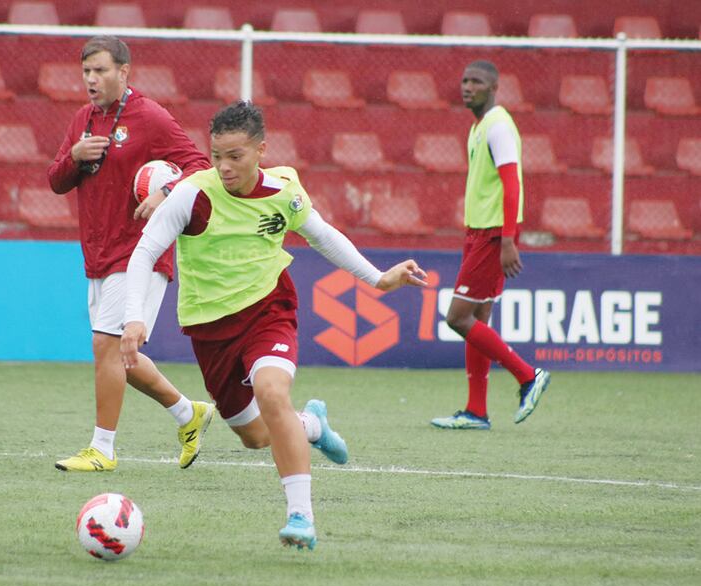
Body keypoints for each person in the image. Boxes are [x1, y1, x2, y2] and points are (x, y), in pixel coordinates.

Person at [120, 101, 428, 550]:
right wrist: (135, 318)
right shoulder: (193, 194)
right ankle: (312, 426)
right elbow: (145, 253)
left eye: (235, 156)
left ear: (261, 150)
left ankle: (300, 516)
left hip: (269, 309)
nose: (224, 167)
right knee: (254, 436)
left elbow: (322, 236)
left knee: (271, 391)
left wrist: (379, 279)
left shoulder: (285, 191)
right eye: (216, 155)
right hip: (211, 329)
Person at [47, 35, 214, 472]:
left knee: (105, 346)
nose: (91, 79)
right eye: (86, 71)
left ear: (124, 72)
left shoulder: (150, 116)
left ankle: (102, 449)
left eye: (100, 70)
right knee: (123, 355)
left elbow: (200, 166)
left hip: (141, 253)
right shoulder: (82, 121)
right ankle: (187, 413)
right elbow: (55, 180)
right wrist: (75, 158)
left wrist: (165, 193)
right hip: (99, 255)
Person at [430, 60, 550, 431]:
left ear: (494, 87)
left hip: (493, 234)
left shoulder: (497, 126)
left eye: (477, 82)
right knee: (478, 318)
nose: (468, 87)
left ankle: (528, 375)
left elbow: (511, 184)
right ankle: (476, 411)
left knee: (457, 317)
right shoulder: (479, 126)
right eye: (465, 81)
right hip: (479, 232)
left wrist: (508, 240)